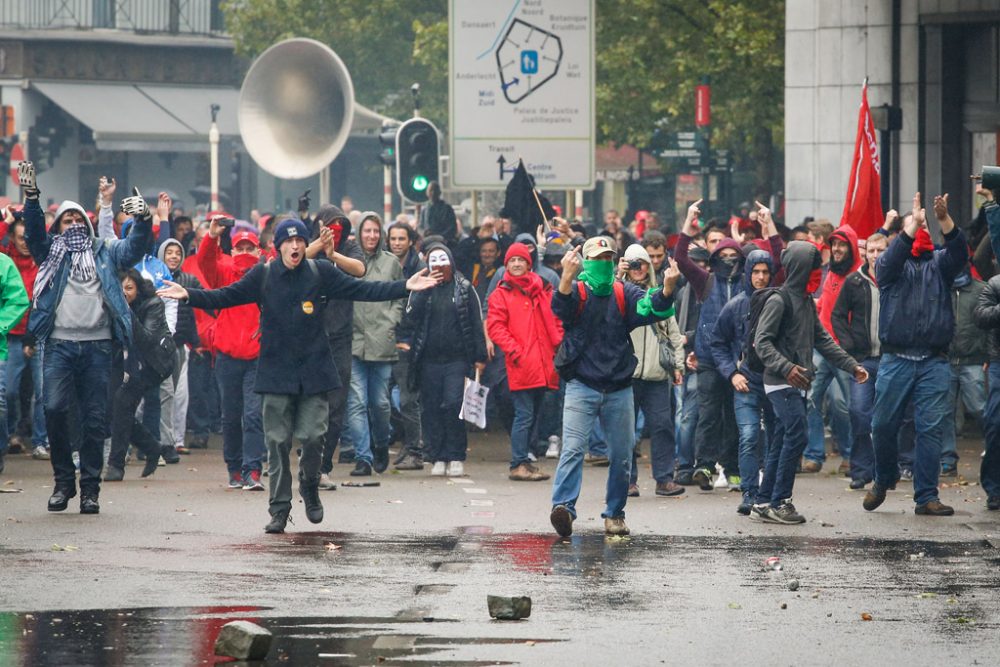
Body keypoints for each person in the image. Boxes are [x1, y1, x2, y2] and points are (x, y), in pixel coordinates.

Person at [158, 217, 441, 533]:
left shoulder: (320, 273)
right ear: (278, 246)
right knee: (277, 442)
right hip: (275, 372)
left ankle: (309, 484)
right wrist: (189, 294)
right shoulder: (263, 275)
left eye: (300, 242)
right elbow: (226, 296)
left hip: (314, 372)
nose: (295, 246)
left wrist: (405, 286)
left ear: (306, 245)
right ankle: (279, 509)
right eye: (288, 242)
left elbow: (363, 288)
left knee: (312, 436)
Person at [19, 161, 149, 514]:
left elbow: (134, 248)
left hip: (97, 348)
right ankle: (64, 482)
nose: (74, 225)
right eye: (67, 220)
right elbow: (32, 234)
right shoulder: (52, 252)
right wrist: (31, 198)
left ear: (88, 224)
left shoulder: (104, 250)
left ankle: (90, 489)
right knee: (55, 410)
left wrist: (144, 219)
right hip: (58, 346)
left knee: (94, 420)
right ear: (58, 226)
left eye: (79, 220)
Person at [548, 236, 681, 538]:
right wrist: (566, 277)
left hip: (620, 388)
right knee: (571, 449)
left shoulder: (624, 292)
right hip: (582, 386)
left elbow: (651, 307)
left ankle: (615, 514)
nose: (605, 264)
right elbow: (561, 308)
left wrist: (668, 288)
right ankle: (563, 508)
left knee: (622, 455)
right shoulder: (578, 291)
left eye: (609, 259)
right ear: (586, 261)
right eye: (599, 259)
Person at [865, 193, 967, 517]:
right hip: (896, 358)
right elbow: (889, 261)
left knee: (930, 429)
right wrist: (912, 225)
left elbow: (960, 252)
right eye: (913, 234)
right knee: (882, 425)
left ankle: (926, 496)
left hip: (934, 360)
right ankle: (883, 478)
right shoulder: (890, 267)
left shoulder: (941, 265)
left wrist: (944, 220)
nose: (920, 237)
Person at [752, 241, 868, 524]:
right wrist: (787, 367)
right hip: (779, 382)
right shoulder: (779, 301)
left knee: (783, 438)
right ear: (801, 269)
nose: (818, 273)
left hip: (797, 382)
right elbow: (761, 342)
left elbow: (823, 340)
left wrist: (851, 366)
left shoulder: (804, 301)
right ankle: (780, 501)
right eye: (814, 268)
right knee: (797, 435)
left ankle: (763, 501)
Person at [676, 200, 783, 491]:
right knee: (708, 415)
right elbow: (682, 259)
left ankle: (734, 470)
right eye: (720, 255)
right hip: (710, 359)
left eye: (732, 255)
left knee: (737, 419)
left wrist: (768, 225)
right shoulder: (704, 281)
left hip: (742, 362)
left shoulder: (749, 284)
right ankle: (704, 467)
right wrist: (689, 222)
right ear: (713, 258)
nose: (727, 260)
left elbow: (777, 261)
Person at [401, 241, 487, 477]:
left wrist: (480, 356)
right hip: (428, 360)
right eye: (434, 262)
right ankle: (437, 455)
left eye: (443, 261)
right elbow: (410, 317)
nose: (439, 267)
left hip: (457, 360)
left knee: (452, 404)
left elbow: (475, 323)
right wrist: (423, 289)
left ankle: (456, 454)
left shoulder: (464, 287)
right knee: (431, 409)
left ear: (451, 262)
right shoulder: (422, 288)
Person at [199, 216, 266, 490]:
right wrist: (211, 236)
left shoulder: (267, 275)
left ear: (259, 252)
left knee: (253, 415)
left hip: (256, 356)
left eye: (250, 248)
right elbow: (205, 263)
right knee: (230, 416)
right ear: (232, 251)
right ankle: (234, 468)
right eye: (240, 248)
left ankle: (252, 470)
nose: (245, 253)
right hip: (227, 355)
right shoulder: (224, 273)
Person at [486, 242, 561, 481]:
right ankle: (518, 463)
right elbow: (495, 327)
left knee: (534, 414)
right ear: (506, 265)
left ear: (529, 264)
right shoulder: (501, 294)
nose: (516, 264)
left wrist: (556, 343)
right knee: (524, 414)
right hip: (521, 363)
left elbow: (556, 318)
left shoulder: (542, 289)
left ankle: (525, 462)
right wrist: (515, 351)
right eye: (512, 261)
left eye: (521, 260)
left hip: (542, 362)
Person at [709, 247, 776, 514]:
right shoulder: (735, 305)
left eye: (765, 272)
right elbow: (718, 343)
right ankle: (749, 492)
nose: (760, 277)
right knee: (748, 435)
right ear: (748, 273)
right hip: (746, 381)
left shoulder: (778, 302)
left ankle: (769, 492)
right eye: (756, 272)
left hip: (774, 381)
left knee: (774, 437)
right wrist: (732, 373)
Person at [305, 205, 365, 488]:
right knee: (307, 404)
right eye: (330, 225)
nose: (335, 231)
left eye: (340, 226)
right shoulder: (304, 246)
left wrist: (333, 254)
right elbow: (293, 260)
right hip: (310, 336)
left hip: (341, 338)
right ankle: (306, 461)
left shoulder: (350, 249)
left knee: (336, 406)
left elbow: (360, 269)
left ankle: (323, 467)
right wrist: (319, 244)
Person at [619, 243, 685, 497]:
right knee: (625, 430)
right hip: (627, 373)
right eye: (633, 263)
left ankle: (664, 478)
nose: (638, 268)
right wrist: (617, 276)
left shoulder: (661, 294)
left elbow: (673, 332)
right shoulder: (618, 292)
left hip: (658, 374)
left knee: (662, 426)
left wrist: (678, 365)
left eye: (642, 263)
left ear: (649, 266)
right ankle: (626, 480)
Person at [346, 213, 404, 476]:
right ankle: (363, 457)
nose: (371, 236)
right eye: (366, 231)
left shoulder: (391, 263)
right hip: (354, 341)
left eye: (375, 231)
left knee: (380, 403)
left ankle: (381, 443)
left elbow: (401, 295)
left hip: (383, 341)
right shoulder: (350, 261)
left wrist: (391, 321)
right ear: (359, 233)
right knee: (356, 401)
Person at [105, 269, 176, 481]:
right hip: (125, 359)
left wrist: (125, 312)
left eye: (129, 288)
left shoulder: (153, 304)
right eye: (120, 289)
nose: (124, 293)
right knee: (111, 407)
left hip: (153, 362)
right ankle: (153, 447)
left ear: (138, 288)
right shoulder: (110, 302)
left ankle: (115, 465)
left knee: (122, 402)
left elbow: (147, 340)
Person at [831, 232, 888, 489]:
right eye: (872, 251)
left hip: (891, 359)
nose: (876, 256)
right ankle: (861, 470)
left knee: (889, 417)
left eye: (881, 250)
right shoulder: (854, 281)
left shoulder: (896, 279)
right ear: (866, 253)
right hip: (862, 361)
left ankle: (888, 469)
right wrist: (849, 348)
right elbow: (838, 316)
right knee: (859, 412)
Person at [804, 224, 861, 474]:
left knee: (842, 403)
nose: (836, 249)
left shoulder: (859, 276)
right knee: (809, 399)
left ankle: (851, 455)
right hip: (821, 349)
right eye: (834, 245)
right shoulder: (830, 273)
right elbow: (825, 308)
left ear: (851, 248)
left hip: (844, 352)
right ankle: (814, 454)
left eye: (842, 245)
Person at [0, 208, 47, 460]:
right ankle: (8, 436)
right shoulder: (5, 258)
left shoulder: (43, 259)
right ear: (12, 238)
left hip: (39, 334)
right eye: (20, 238)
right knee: (8, 392)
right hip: (10, 335)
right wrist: (6, 221)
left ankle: (40, 441)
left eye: (29, 238)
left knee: (43, 392)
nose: (26, 243)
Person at [940, 261, 987, 477]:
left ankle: (993, 449)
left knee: (979, 407)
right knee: (945, 412)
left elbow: (990, 324)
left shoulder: (980, 290)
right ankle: (947, 460)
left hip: (973, 359)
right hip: (946, 359)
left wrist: (988, 354)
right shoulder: (941, 287)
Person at [157, 237, 203, 454]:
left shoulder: (189, 280)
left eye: (177, 252)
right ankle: (158, 439)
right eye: (169, 252)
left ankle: (177, 440)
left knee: (181, 394)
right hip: (156, 346)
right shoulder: (154, 280)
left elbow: (193, 314)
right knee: (161, 395)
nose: (174, 256)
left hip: (180, 345)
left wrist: (196, 342)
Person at [385, 221, 425, 471]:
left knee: (408, 399)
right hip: (385, 338)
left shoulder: (418, 268)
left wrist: (410, 340)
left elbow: (420, 308)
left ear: (410, 241)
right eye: (393, 238)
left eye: (402, 238)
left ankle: (415, 450)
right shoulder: (384, 264)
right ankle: (405, 443)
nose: (397, 243)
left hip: (407, 341)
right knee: (382, 399)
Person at [973, 193, 1000, 511]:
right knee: (994, 422)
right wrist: (992, 206)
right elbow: (980, 317)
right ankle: (994, 487)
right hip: (997, 361)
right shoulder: (993, 284)